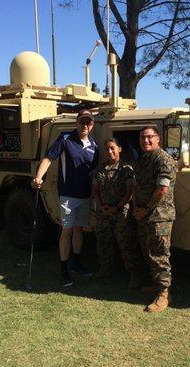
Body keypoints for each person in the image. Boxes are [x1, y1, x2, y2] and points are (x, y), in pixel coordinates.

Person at [32, 109, 99, 286]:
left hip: (85, 196)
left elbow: (94, 171)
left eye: (88, 122)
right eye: (82, 122)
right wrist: (39, 177)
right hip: (68, 195)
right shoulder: (65, 139)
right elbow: (48, 159)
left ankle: (76, 263)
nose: (85, 125)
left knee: (79, 229)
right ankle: (64, 269)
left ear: (92, 125)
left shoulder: (94, 146)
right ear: (76, 123)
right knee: (67, 230)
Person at [133, 126, 177, 312]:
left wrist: (146, 209)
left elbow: (162, 190)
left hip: (159, 216)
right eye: (143, 138)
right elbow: (136, 185)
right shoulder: (143, 161)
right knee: (148, 252)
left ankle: (163, 295)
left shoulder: (163, 160)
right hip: (143, 214)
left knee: (159, 254)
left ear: (158, 139)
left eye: (150, 137)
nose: (146, 141)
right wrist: (136, 208)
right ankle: (156, 284)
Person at [92, 138, 143, 288]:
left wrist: (117, 207)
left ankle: (134, 275)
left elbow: (130, 192)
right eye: (107, 149)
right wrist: (101, 206)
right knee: (103, 242)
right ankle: (105, 270)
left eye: (112, 148)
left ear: (119, 149)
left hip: (121, 212)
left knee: (126, 243)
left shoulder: (126, 169)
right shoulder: (100, 170)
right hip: (104, 211)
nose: (110, 151)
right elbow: (96, 191)